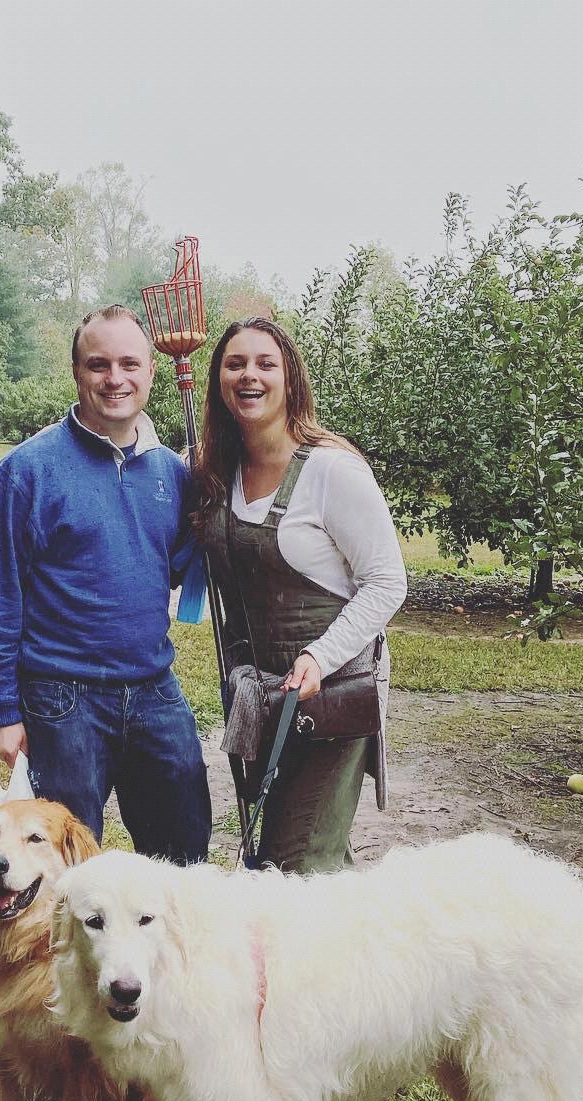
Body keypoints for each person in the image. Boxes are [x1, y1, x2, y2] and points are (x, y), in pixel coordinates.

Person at [0, 304, 211, 862]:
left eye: (129, 363)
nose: (115, 378)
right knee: (66, 866)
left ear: (151, 370)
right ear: (77, 373)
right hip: (62, 696)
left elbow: (169, 567)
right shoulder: (27, 471)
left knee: (183, 855)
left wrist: (212, 512)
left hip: (154, 688)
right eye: (98, 364)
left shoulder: (172, 474)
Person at [194, 316, 406, 874]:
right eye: (235, 364)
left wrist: (319, 656)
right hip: (260, 696)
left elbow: (387, 581)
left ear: (290, 377)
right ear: (218, 380)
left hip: (332, 695)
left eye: (266, 363)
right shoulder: (219, 476)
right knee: (277, 856)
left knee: (301, 864)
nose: (249, 376)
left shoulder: (331, 471)